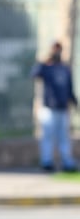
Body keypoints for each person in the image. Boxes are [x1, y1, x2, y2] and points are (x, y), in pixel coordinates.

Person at [30, 41, 77, 172]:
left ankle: (67, 162)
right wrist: (43, 61)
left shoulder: (65, 68)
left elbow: (69, 88)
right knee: (47, 136)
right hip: (48, 108)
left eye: (59, 50)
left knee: (64, 137)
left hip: (62, 108)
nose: (57, 53)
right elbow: (34, 74)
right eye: (55, 50)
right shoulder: (46, 67)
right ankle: (47, 162)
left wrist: (74, 103)